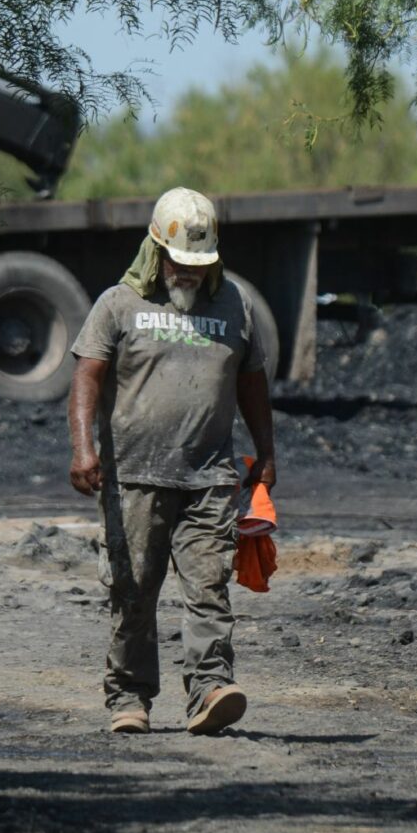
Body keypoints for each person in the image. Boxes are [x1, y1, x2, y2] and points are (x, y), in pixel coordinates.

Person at [68, 187, 277, 736]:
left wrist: (268, 453)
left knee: (209, 587)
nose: (187, 274)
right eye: (179, 263)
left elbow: (252, 384)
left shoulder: (234, 304)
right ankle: (128, 698)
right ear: (156, 250)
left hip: (210, 477)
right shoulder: (118, 304)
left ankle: (210, 689)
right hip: (133, 478)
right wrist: (83, 449)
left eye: (197, 265)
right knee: (132, 592)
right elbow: (86, 377)